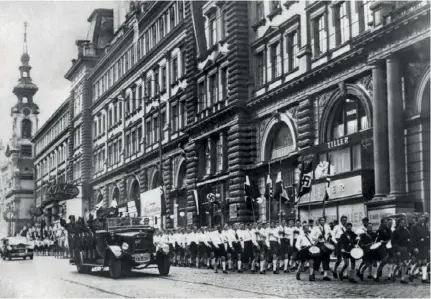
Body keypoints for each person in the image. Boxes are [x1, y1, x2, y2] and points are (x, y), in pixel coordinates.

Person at [311, 217, 333, 281]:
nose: (323, 221)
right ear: (319, 221)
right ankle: (313, 274)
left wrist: (330, 235)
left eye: (324, 220)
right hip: (319, 244)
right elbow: (312, 236)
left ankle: (325, 275)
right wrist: (318, 237)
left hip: (325, 244)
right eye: (321, 220)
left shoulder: (327, 227)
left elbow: (330, 233)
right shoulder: (315, 228)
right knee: (318, 259)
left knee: (326, 259)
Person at [410, 214, 430, 283]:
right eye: (421, 216)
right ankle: (411, 273)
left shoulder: (425, 226)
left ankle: (424, 278)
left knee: (424, 262)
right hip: (417, 246)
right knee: (419, 263)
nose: (423, 218)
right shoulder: (414, 226)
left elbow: (428, 237)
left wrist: (429, 247)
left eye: (424, 217)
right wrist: (414, 247)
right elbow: (412, 238)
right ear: (418, 218)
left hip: (424, 247)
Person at [391, 218, 412, 284]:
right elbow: (393, 242)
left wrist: (409, 251)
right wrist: (397, 250)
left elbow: (409, 241)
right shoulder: (395, 231)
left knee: (405, 264)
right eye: (401, 222)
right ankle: (393, 274)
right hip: (398, 249)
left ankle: (402, 279)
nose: (402, 224)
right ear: (398, 223)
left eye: (403, 222)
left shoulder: (407, 231)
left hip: (405, 249)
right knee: (399, 264)